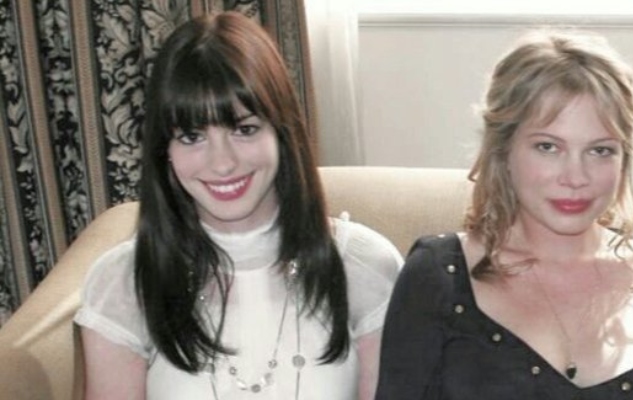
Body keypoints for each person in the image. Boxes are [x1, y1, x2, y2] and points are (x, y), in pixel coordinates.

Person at [74, 11, 402, 400]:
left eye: (244, 129)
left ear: (282, 132)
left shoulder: (364, 267)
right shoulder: (123, 284)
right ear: (164, 150)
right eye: (192, 136)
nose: (223, 163)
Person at [375, 30, 633, 399]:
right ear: (503, 150)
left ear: (624, 158)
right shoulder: (436, 276)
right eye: (548, 147)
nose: (575, 178)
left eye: (600, 151)